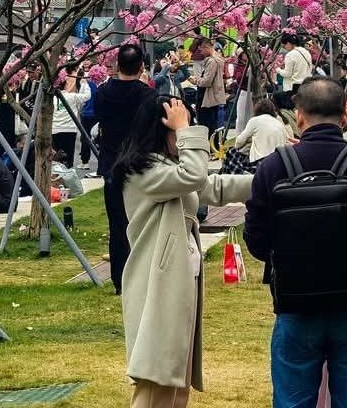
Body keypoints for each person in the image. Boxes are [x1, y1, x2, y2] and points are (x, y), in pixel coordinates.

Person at [244, 77, 347, 408]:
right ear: (345, 118)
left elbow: (257, 243)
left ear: (298, 116)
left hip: (294, 307)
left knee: (292, 400)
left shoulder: (274, 168)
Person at [116, 95, 252, 407]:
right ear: (160, 130)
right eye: (177, 129)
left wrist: (269, 181)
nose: (183, 135)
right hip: (158, 282)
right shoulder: (144, 169)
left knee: (177, 382)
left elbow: (211, 187)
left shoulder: (168, 168)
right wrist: (187, 131)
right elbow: (194, 176)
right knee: (157, 381)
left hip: (179, 280)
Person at [93, 43, 150, 295]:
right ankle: (142, 276)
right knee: (144, 222)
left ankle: (119, 280)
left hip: (111, 163)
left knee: (117, 223)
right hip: (140, 164)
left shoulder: (103, 92)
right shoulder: (146, 95)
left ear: (117, 66)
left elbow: (97, 115)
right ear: (141, 66)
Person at [51, 62, 91, 168]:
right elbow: (87, 96)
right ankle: (68, 174)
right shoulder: (72, 96)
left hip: (55, 129)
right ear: (65, 85)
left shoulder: (52, 99)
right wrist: (84, 83)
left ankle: (58, 176)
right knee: (69, 155)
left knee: (57, 156)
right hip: (69, 130)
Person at [232, 98, 292, 163]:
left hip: (259, 162)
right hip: (278, 161)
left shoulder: (255, 120)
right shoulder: (279, 123)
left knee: (232, 153)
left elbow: (239, 141)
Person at [191, 38, 227, 140]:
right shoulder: (216, 60)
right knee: (212, 125)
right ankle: (213, 146)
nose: (201, 52)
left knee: (207, 126)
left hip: (207, 99)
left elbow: (207, 81)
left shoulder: (212, 61)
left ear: (206, 47)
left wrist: (196, 80)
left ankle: (210, 148)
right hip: (212, 98)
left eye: (201, 50)